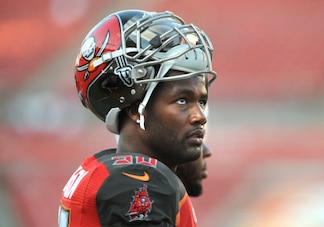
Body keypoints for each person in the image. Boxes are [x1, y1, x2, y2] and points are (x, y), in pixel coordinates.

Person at [58, 9, 216, 227]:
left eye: (201, 102)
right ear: (134, 108)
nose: (199, 116)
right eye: (182, 100)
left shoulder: (107, 169)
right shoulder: (139, 182)